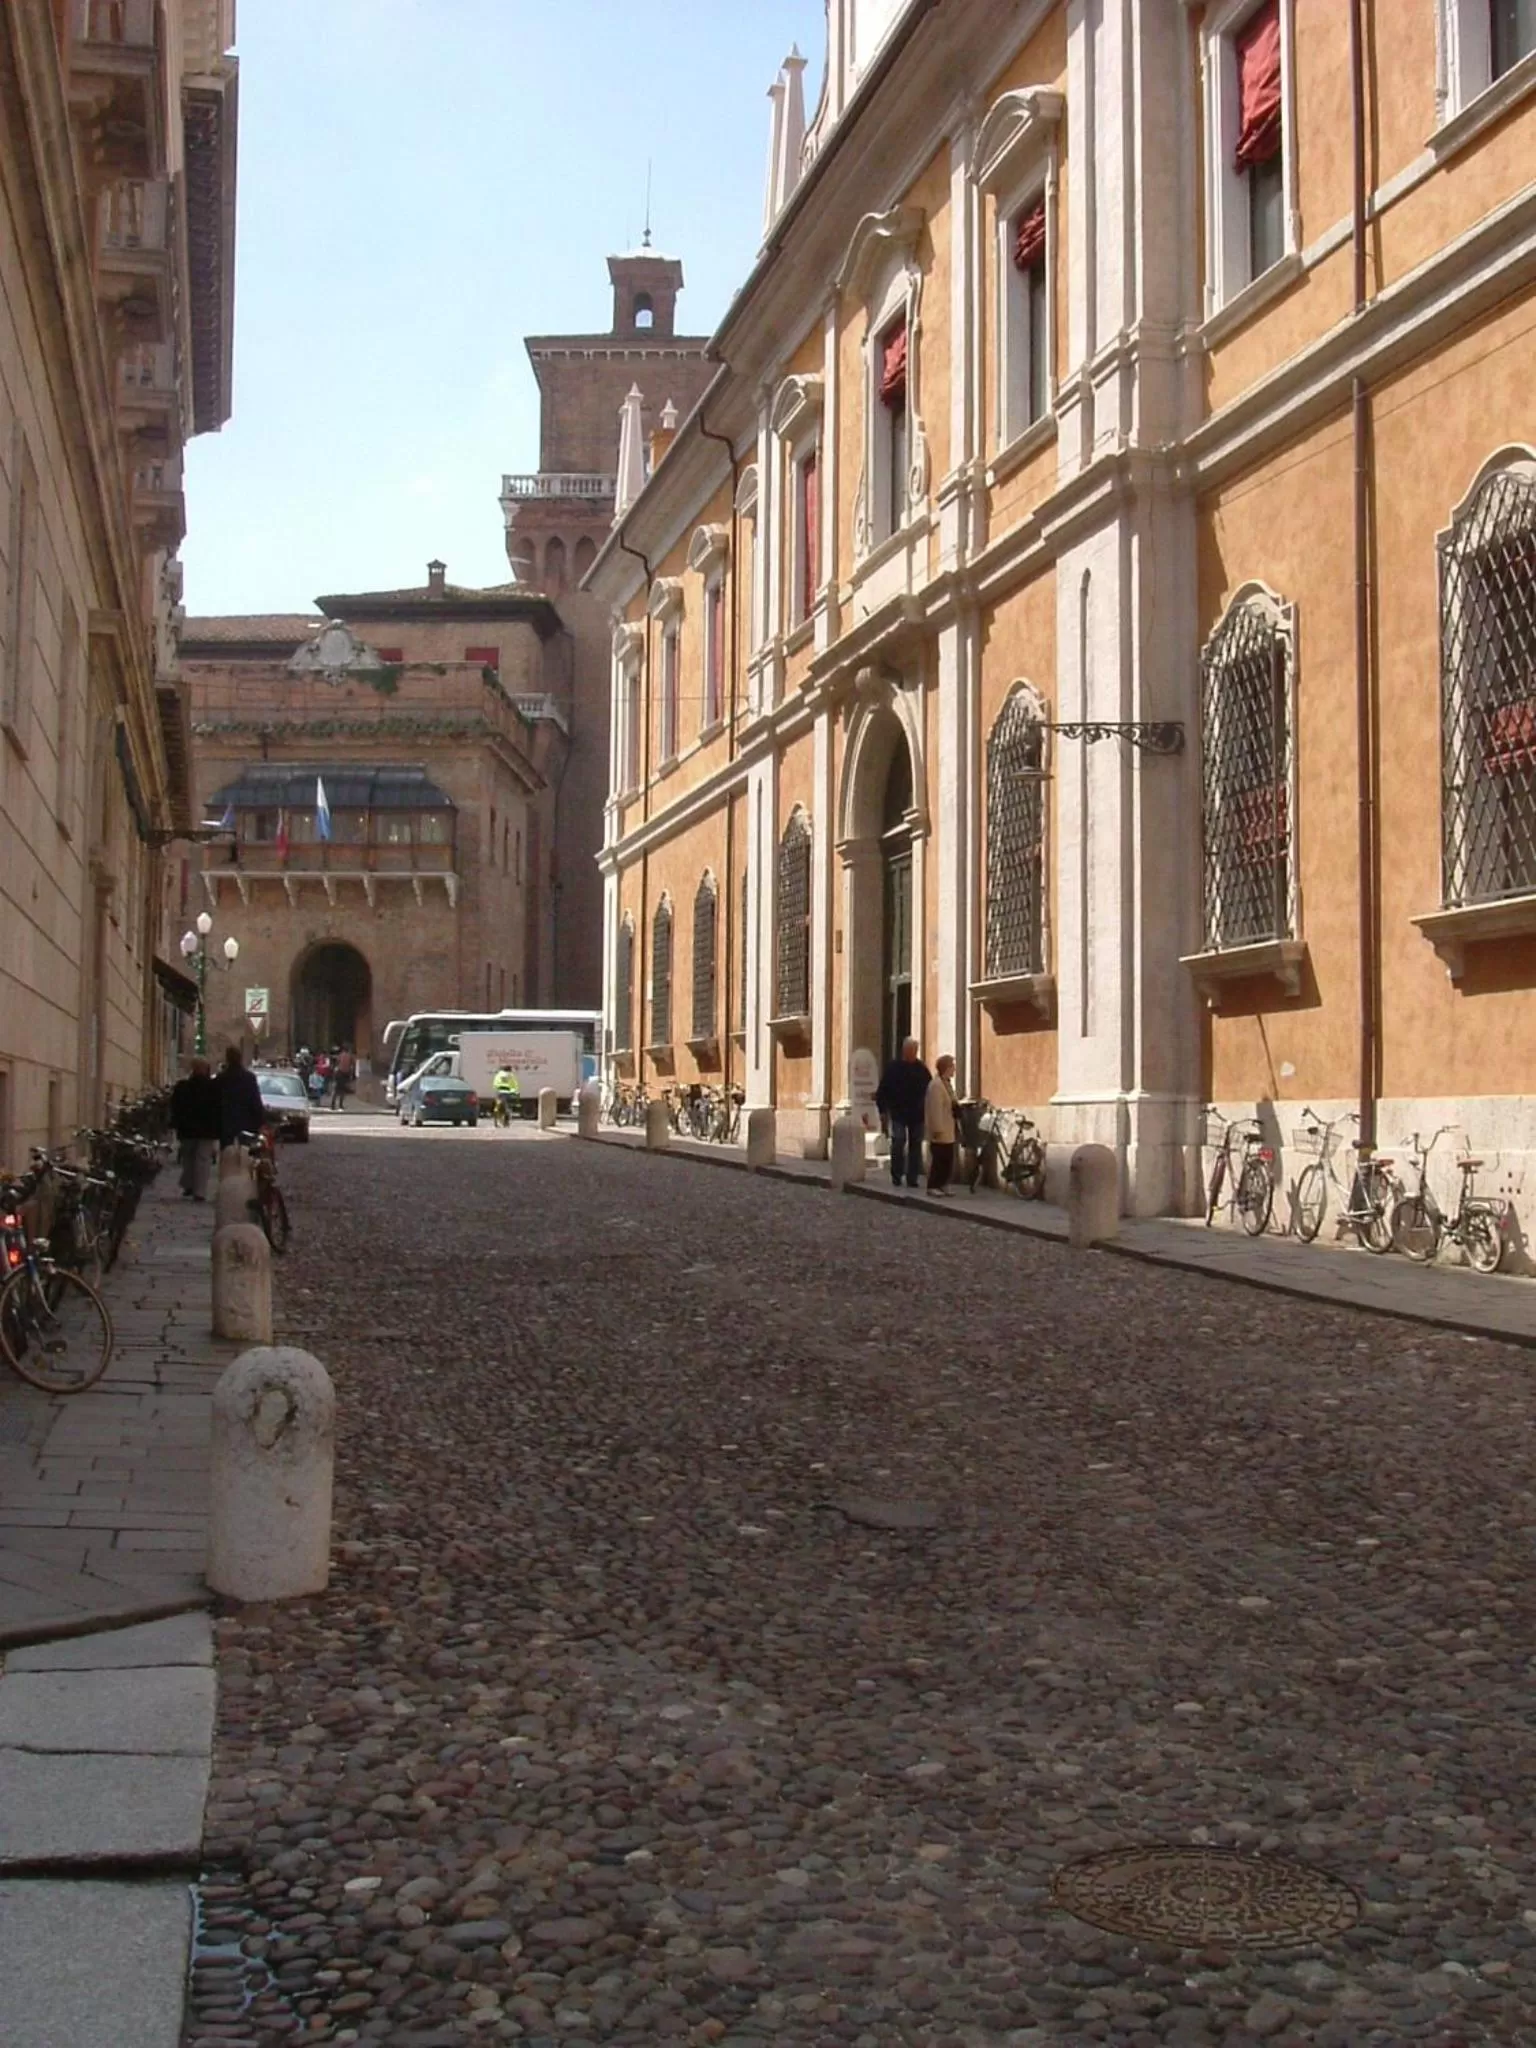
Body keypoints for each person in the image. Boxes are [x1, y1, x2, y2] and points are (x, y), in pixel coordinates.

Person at [875, 1036, 931, 1189]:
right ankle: (897, 1174)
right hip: (898, 1113)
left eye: (915, 1050)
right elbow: (883, 1090)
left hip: (917, 1114)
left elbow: (929, 1090)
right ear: (904, 1051)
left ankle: (912, 1177)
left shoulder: (921, 1069)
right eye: (910, 1050)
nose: (913, 1053)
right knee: (898, 1142)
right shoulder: (893, 1068)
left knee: (916, 1145)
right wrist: (882, 1110)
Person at [170, 1056, 220, 1200]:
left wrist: (176, 1124)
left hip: (187, 1129)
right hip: (207, 1130)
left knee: (189, 1158)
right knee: (203, 1159)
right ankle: (200, 1191)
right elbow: (218, 1108)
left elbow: (175, 1107)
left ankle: (189, 1185)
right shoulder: (213, 1087)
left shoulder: (182, 1086)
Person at [216, 1044, 266, 1151]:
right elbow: (255, 1101)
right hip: (246, 1121)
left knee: (226, 1152)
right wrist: (260, 1121)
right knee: (246, 1152)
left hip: (226, 1122)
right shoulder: (249, 1078)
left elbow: (216, 1101)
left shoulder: (221, 1078)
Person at [925, 1053, 959, 1197]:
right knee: (939, 1159)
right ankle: (933, 1185)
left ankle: (944, 1184)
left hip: (948, 1126)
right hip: (940, 1129)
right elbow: (935, 1108)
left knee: (947, 1158)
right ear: (946, 1068)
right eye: (952, 1066)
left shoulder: (947, 1084)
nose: (954, 1069)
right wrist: (937, 1128)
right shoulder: (936, 1086)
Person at [332, 1045, 355, 1112]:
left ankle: (333, 1105)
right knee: (342, 1090)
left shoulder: (340, 1055)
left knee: (336, 1090)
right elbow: (352, 1065)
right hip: (345, 1074)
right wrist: (351, 1075)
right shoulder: (350, 1056)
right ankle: (340, 1105)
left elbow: (336, 1064)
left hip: (339, 1073)